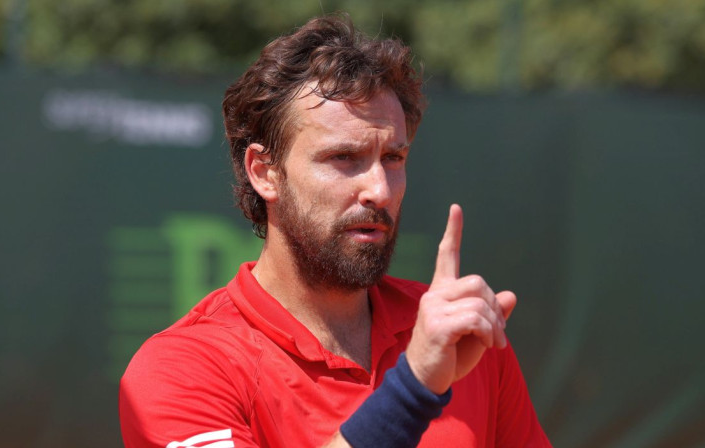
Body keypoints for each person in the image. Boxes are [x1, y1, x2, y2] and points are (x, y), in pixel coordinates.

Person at [120, 14, 551, 448]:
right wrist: (415, 386)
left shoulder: (456, 335)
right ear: (264, 172)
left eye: (393, 158)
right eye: (344, 157)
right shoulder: (182, 368)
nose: (379, 190)